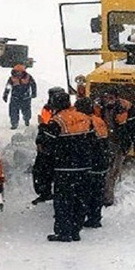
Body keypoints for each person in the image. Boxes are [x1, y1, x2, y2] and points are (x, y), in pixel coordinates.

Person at [35, 88, 95, 242]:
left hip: (65, 167)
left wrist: (42, 127)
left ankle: (64, 232)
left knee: (63, 201)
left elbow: (46, 142)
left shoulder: (58, 120)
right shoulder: (85, 118)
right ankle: (76, 230)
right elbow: (93, 141)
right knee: (80, 199)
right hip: (85, 165)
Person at [95, 87, 135, 206]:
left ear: (117, 98)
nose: (108, 100)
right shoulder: (96, 107)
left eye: (111, 98)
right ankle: (99, 197)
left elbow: (134, 127)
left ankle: (107, 199)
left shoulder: (126, 108)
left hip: (119, 143)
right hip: (101, 143)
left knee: (113, 172)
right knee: (102, 171)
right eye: (106, 97)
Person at [74, 96, 110, 228]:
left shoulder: (84, 122)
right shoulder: (99, 121)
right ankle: (95, 217)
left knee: (85, 192)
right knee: (97, 191)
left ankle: (83, 217)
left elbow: (84, 143)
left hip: (90, 163)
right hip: (102, 161)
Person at [2, 64, 37, 129]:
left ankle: (27, 120)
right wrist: (5, 95)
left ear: (23, 72)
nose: (18, 73)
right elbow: (8, 87)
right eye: (16, 72)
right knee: (13, 112)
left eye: (20, 72)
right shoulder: (11, 78)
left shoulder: (28, 77)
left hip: (26, 98)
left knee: (26, 111)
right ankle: (14, 124)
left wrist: (34, 93)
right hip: (15, 98)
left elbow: (33, 85)